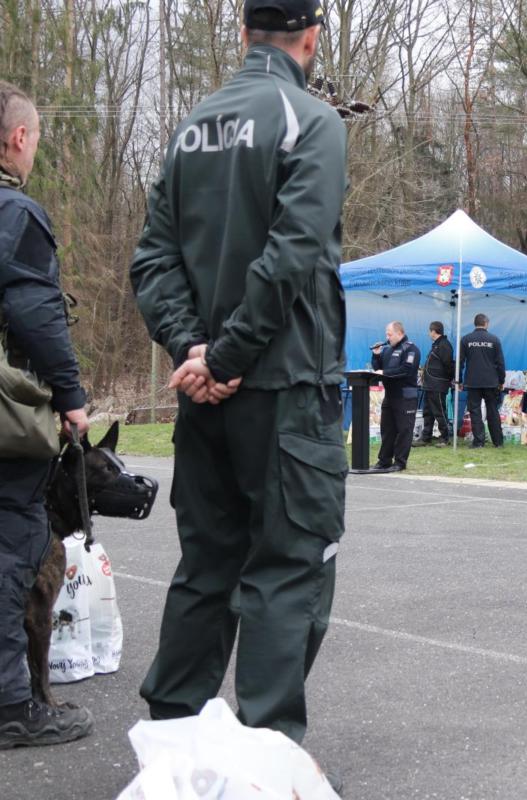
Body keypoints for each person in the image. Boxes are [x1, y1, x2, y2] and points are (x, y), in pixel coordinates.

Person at [129, 0, 348, 752]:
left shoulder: (192, 128)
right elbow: (291, 255)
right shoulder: (313, 123)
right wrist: (221, 358)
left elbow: (151, 259)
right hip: (286, 390)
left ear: (244, 31)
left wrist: (193, 350)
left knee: (209, 563)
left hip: (209, 395)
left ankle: (171, 746)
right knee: (290, 568)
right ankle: (265, 758)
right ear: (311, 38)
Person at [0, 81, 94, 748]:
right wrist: (69, 396)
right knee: (13, 548)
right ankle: (11, 704)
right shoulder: (15, 215)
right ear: (19, 138)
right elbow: (35, 314)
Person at [371, 321, 421, 471]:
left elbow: (407, 370)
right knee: (387, 429)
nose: (387, 337)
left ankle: (400, 462)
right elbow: (378, 368)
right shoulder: (387, 350)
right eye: (386, 333)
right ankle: (384, 461)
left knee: (404, 430)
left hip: (405, 396)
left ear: (400, 333)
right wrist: (376, 356)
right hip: (390, 395)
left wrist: (384, 373)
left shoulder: (411, 349)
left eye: (389, 334)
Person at [459, 312, 505, 448]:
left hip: (473, 381)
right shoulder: (494, 339)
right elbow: (500, 363)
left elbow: (460, 362)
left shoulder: (466, 339)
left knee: (475, 411)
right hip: (491, 381)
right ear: (486, 323)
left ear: (475, 324)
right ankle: (498, 442)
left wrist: (459, 380)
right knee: (492, 410)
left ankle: (479, 441)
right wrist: (501, 380)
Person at [416, 320, 454, 447]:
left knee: (439, 411)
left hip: (437, 384)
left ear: (433, 331)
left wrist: (447, 380)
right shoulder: (437, 344)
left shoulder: (444, 345)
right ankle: (426, 437)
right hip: (430, 384)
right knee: (428, 411)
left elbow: (448, 365)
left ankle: (445, 437)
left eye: (429, 331)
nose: (429, 333)